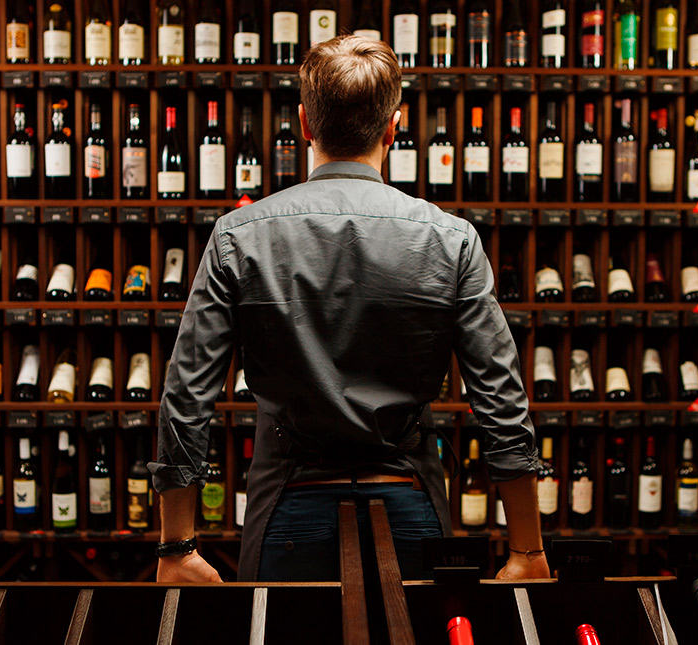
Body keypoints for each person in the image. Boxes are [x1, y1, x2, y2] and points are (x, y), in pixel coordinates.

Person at [151, 35, 549, 583]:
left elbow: (187, 393)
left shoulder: (237, 237)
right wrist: (527, 551)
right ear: (394, 126)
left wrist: (176, 547)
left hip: (288, 510)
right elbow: (500, 397)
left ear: (305, 124)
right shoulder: (451, 238)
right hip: (409, 504)